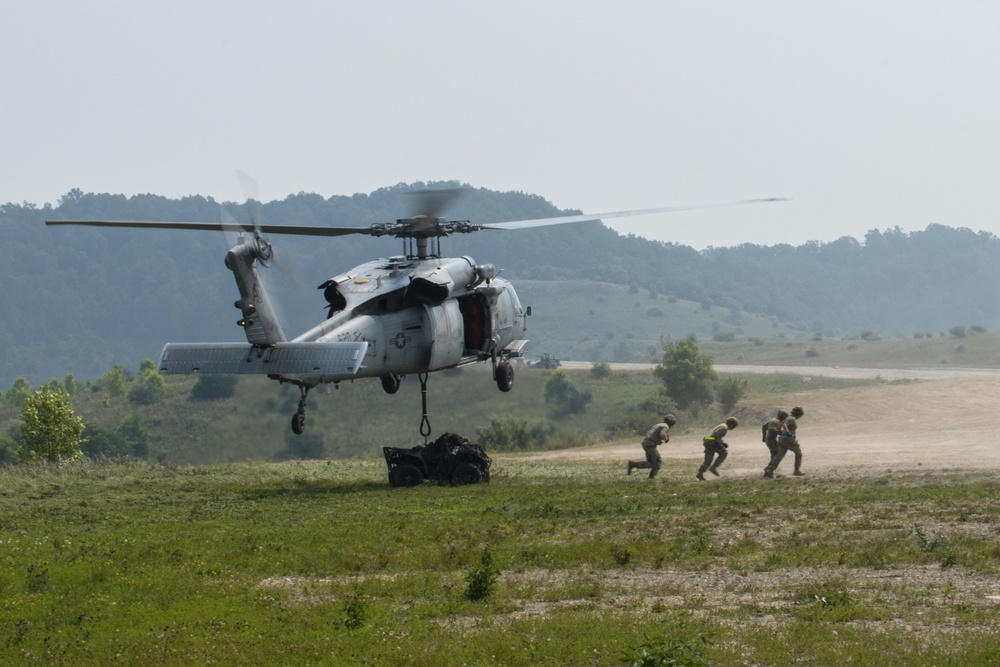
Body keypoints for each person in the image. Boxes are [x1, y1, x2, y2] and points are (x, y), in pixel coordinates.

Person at [764, 406, 805, 477]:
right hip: (788, 440)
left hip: (782, 439)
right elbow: (784, 425)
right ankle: (796, 470)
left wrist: (782, 433)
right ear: (798, 414)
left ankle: (769, 470)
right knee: (798, 453)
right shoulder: (792, 418)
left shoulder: (787, 418)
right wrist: (787, 433)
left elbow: (780, 425)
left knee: (779, 456)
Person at [696, 416, 738, 480]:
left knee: (708, 460)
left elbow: (715, 436)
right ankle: (713, 468)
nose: (733, 428)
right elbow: (715, 436)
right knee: (724, 453)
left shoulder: (723, 426)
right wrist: (721, 445)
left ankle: (700, 474)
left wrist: (722, 443)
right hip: (712, 443)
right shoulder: (724, 428)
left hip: (709, 442)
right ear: (731, 424)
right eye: (734, 426)